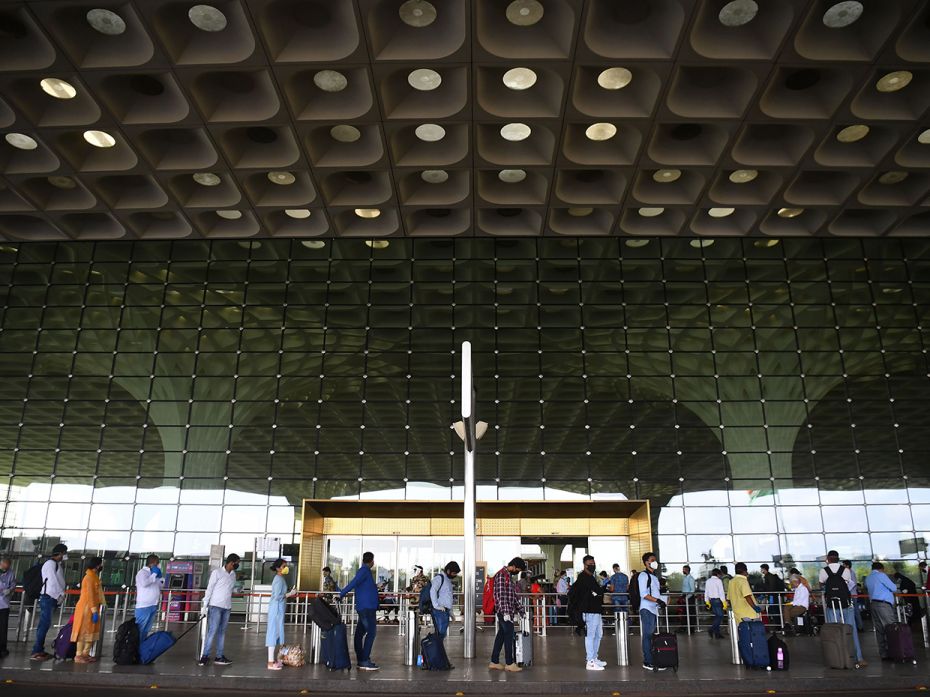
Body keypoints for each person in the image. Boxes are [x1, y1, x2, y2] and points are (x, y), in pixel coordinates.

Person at [819, 550, 865, 667]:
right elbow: (849, 585)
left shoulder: (823, 571)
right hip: (846, 604)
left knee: (833, 631)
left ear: (828, 559)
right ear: (838, 559)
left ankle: (835, 658)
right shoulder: (846, 570)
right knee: (851, 630)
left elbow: (822, 585)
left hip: (832, 606)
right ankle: (858, 658)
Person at [340, 551, 380, 670]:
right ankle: (364, 660)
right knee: (371, 633)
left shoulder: (365, 572)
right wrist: (342, 593)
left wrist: (376, 586)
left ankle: (361, 659)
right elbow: (354, 583)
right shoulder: (364, 571)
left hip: (365, 607)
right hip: (367, 608)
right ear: (371, 561)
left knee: (359, 634)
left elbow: (362, 586)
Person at [199, 553, 240, 667]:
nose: (237, 565)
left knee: (222, 632)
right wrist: (205, 604)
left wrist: (237, 590)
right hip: (215, 606)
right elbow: (210, 588)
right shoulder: (217, 573)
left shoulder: (233, 574)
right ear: (231, 562)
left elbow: (229, 588)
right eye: (237, 563)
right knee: (212, 631)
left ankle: (219, 656)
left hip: (227, 607)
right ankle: (205, 656)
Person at [488, 556, 526, 673]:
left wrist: (521, 610)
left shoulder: (509, 577)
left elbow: (512, 596)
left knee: (501, 635)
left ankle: (494, 661)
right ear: (513, 566)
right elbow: (500, 595)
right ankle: (509, 663)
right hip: (504, 612)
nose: (518, 572)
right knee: (509, 635)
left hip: (507, 612)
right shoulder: (501, 575)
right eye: (518, 570)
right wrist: (505, 612)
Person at [30, 543, 68, 661]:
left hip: (51, 598)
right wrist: (59, 595)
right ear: (60, 553)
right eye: (65, 553)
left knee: (45, 624)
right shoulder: (50, 564)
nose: (66, 556)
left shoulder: (55, 564)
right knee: (44, 624)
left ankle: (39, 649)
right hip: (49, 597)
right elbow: (52, 581)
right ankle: (36, 651)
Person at [569, 554, 607, 670]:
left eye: (593, 564)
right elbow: (595, 592)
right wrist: (598, 592)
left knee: (598, 634)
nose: (592, 566)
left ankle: (594, 657)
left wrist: (598, 592)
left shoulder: (591, 577)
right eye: (590, 564)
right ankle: (590, 661)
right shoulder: (583, 578)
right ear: (584, 565)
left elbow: (597, 592)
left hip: (596, 610)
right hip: (589, 611)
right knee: (590, 635)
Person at [72, 556, 106, 664]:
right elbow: (90, 596)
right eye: (100, 564)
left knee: (91, 631)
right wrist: (94, 611)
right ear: (97, 565)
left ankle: (85, 654)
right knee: (84, 632)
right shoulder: (89, 578)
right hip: (86, 608)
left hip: (92, 607)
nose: (101, 566)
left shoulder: (94, 577)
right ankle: (79, 654)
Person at [638, 552, 668, 672]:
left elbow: (655, 593)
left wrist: (661, 600)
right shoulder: (643, 576)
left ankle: (653, 659)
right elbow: (643, 594)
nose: (655, 562)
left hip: (653, 609)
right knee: (648, 636)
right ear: (646, 562)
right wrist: (658, 600)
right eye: (652, 560)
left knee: (651, 636)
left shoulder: (654, 577)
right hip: (647, 609)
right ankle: (648, 661)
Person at [265, 558, 297, 670]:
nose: (286, 568)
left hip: (279, 609)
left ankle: (279, 659)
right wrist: (289, 594)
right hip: (276, 609)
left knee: (279, 635)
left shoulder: (281, 578)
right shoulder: (278, 579)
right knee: (273, 634)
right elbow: (277, 596)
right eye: (284, 566)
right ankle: (270, 662)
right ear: (278, 568)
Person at [865, 562, 898, 662]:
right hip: (884, 605)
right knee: (891, 628)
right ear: (881, 569)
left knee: (880, 630)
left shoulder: (868, 578)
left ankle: (883, 654)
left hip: (873, 604)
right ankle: (894, 653)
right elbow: (894, 588)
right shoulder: (881, 575)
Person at [134, 554, 165, 639]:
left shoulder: (153, 574)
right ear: (152, 563)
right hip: (144, 606)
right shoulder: (142, 573)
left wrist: (160, 578)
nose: (158, 565)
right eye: (157, 563)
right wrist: (154, 575)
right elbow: (144, 584)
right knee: (140, 630)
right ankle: (135, 649)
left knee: (146, 630)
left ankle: (142, 649)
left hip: (153, 605)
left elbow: (161, 586)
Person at [429, 561, 460, 641]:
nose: (455, 575)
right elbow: (432, 591)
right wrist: (436, 606)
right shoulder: (439, 578)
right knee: (440, 634)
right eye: (454, 573)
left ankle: (436, 652)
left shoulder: (447, 580)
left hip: (444, 610)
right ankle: (429, 652)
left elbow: (448, 597)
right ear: (448, 571)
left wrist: (451, 612)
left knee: (441, 634)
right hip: (439, 611)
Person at [703, 568, 726, 640]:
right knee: (720, 616)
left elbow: (706, 592)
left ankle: (717, 634)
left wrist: (707, 601)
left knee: (717, 616)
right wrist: (724, 602)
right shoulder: (718, 581)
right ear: (718, 574)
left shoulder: (708, 581)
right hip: (718, 600)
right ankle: (711, 629)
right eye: (720, 574)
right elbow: (721, 592)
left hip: (711, 601)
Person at [0, 557, 15, 658]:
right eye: (4, 566)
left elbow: (13, 584)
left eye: (7, 567)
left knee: (3, 627)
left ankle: (2, 649)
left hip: (4, 605)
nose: (6, 568)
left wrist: (10, 590)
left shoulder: (11, 573)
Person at [842, 560, 863, 631]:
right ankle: (857, 626)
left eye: (844, 565)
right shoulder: (848, 572)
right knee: (853, 611)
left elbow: (853, 583)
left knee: (855, 611)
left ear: (847, 565)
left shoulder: (851, 572)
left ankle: (860, 627)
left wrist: (846, 590)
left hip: (852, 595)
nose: (843, 566)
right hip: (850, 594)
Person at [681, 565, 696, 629]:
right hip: (685, 596)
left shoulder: (691, 579)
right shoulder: (685, 578)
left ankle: (691, 628)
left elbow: (692, 590)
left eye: (684, 569)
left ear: (687, 570)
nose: (683, 570)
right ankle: (685, 627)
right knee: (685, 613)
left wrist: (686, 598)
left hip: (689, 597)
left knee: (690, 613)